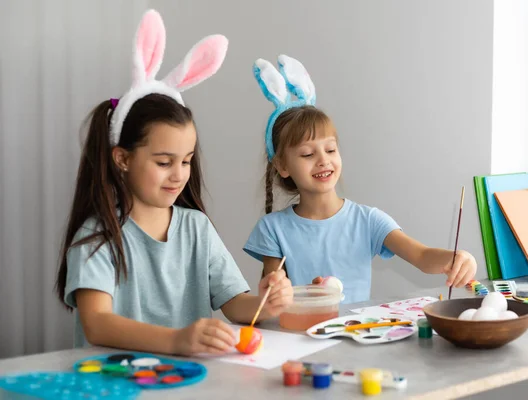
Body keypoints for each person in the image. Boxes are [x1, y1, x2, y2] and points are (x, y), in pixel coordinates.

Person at [54, 10, 292, 356]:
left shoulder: (196, 228)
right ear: (122, 159)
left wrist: (266, 304)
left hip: (185, 383)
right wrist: (176, 340)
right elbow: (97, 323)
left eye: (186, 160)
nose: (179, 174)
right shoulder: (97, 236)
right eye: (164, 162)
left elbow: (234, 303)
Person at [243, 55, 476, 304]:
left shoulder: (368, 221)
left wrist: (457, 258)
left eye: (330, 150)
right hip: (299, 337)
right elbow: (273, 298)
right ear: (282, 165)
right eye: (308, 154)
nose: (323, 160)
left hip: (353, 337)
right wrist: (304, 294)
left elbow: (421, 256)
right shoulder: (272, 229)